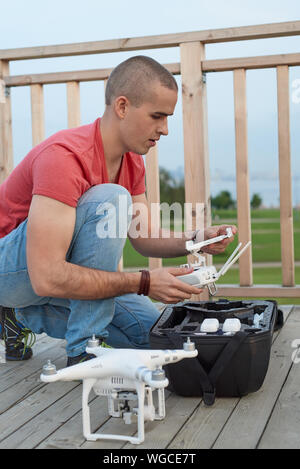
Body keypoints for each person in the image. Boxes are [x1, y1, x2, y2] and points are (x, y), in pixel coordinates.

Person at [0, 56, 236, 365]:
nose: (164, 129)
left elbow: (144, 236)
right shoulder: (63, 158)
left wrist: (197, 239)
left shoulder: (132, 160)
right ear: (122, 107)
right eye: (157, 116)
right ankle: (85, 350)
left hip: (52, 276)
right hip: (14, 271)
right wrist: (144, 282)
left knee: (150, 334)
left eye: (167, 118)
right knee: (112, 199)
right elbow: (46, 276)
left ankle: (18, 315)